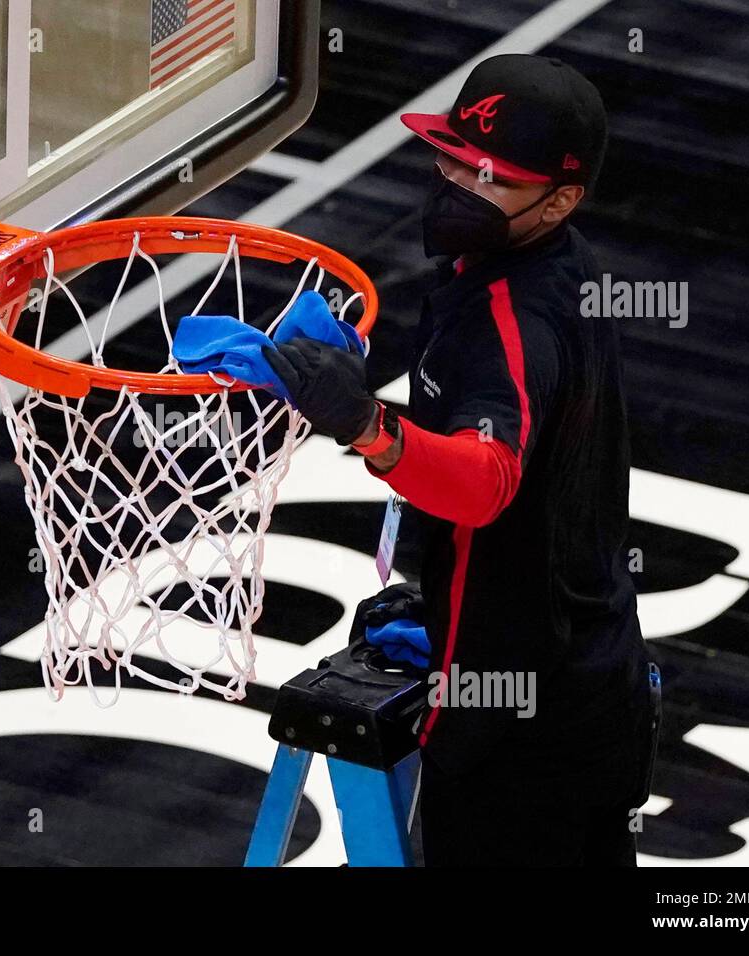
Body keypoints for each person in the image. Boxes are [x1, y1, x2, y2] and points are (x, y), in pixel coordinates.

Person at [265, 54, 658, 866]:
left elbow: (483, 486)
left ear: (561, 200)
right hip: (582, 675)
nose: (458, 187)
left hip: (522, 738)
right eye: (451, 158)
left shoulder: (515, 320)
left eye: (492, 179)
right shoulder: (556, 267)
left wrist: (372, 428)